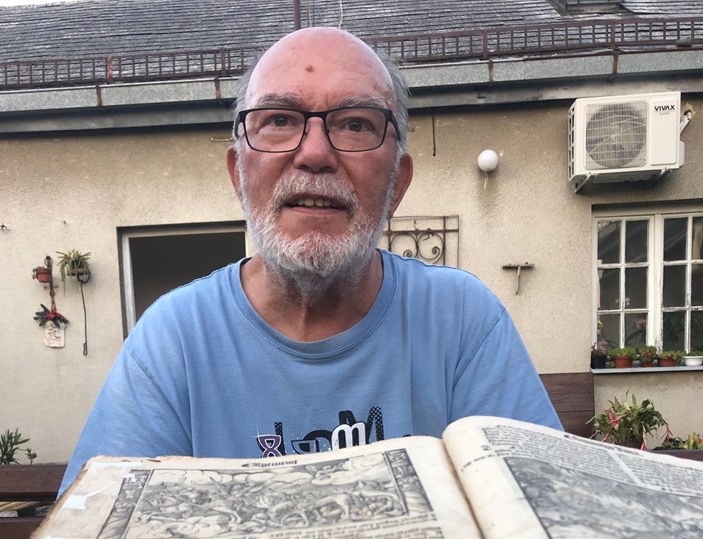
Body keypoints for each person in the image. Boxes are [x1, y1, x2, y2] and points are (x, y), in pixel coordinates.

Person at [60, 26, 560, 491]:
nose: (315, 153)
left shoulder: (462, 319)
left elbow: (540, 510)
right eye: (280, 120)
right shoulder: (174, 339)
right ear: (238, 174)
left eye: (356, 124)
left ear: (397, 184)